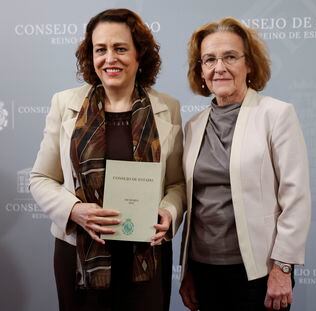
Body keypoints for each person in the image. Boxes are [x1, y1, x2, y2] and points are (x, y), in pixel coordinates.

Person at [30, 8, 185, 311]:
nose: (110, 58)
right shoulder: (65, 104)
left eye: (121, 48)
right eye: (100, 49)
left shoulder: (167, 106)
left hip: (145, 259)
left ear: (139, 55)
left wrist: (169, 211)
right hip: (79, 257)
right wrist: (74, 210)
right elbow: (41, 178)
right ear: (91, 56)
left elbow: (177, 183)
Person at [179, 17, 311, 311]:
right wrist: (186, 269)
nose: (219, 67)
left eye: (230, 57)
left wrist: (283, 268)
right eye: (209, 59)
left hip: (259, 272)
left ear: (249, 64)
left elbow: (296, 198)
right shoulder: (193, 126)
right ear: (200, 70)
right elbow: (193, 205)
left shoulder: (276, 115)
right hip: (204, 270)